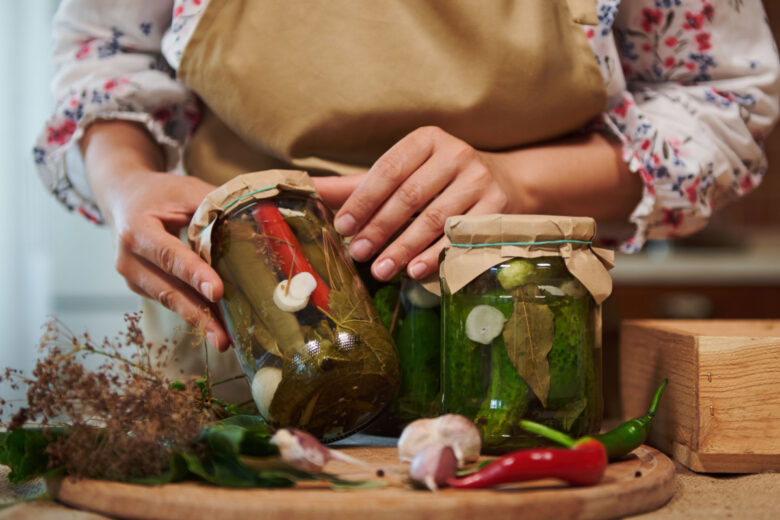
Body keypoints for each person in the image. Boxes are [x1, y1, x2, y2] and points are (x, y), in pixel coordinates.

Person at [35, 1, 779, 379]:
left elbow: (723, 104)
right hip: (240, 340)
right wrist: (128, 183)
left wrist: (518, 181)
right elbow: (103, 67)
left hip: (525, 363)